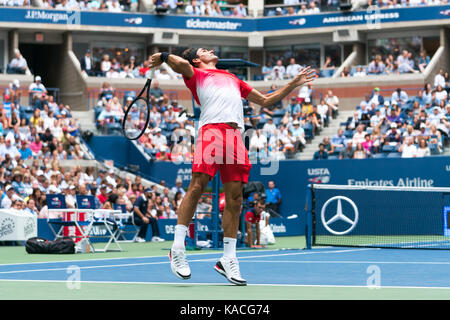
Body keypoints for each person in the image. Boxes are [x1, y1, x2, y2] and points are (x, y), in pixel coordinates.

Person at [149, 47, 314, 285]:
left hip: (235, 135)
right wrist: (164, 56)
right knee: (197, 186)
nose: (211, 50)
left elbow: (266, 100)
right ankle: (177, 248)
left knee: (235, 199)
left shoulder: (234, 79)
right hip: (211, 131)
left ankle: (228, 259)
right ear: (197, 59)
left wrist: (293, 84)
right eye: (205, 50)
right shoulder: (196, 74)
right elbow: (179, 64)